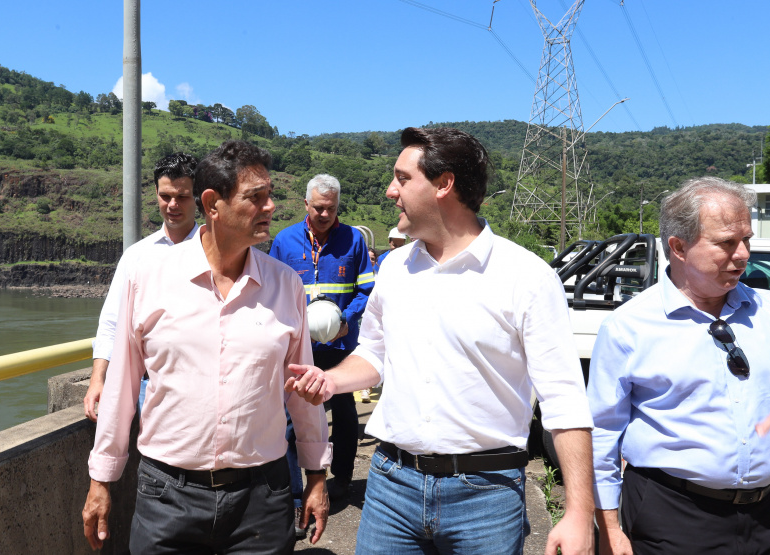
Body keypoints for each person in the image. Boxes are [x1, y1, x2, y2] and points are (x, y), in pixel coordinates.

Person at [286, 127, 595, 555]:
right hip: (391, 487)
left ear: (444, 184)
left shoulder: (526, 277)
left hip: (485, 495)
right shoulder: (394, 268)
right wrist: (330, 381)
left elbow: (564, 400)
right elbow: (375, 352)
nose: (392, 191)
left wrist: (579, 513)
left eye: (403, 178)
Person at [82, 140, 332, 553]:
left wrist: (317, 478)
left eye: (269, 196)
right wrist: (101, 480)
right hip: (167, 495)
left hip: (262, 500)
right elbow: (122, 388)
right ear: (213, 203)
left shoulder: (286, 285)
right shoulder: (147, 277)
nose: (270, 207)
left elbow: (302, 393)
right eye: (256, 197)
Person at [589, 177, 770, 555]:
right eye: (727, 243)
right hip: (673, 518)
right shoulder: (628, 326)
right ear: (679, 247)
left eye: (747, 239)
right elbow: (601, 435)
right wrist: (608, 527)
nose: (744, 254)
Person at [269, 173, 375, 504]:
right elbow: (271, 291)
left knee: (344, 417)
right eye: (318, 208)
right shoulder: (285, 242)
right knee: (289, 418)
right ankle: (294, 493)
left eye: (331, 208)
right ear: (306, 204)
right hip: (298, 348)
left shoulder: (354, 241)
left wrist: (347, 318)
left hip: (340, 346)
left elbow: (366, 289)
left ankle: (341, 479)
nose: (325, 215)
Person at [83, 152, 199, 421]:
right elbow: (112, 322)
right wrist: (97, 380)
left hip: (202, 387)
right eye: (165, 196)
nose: (172, 204)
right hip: (148, 388)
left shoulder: (214, 253)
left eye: (182, 196)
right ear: (156, 193)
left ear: (198, 197)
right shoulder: (136, 256)